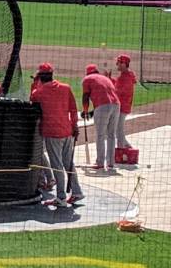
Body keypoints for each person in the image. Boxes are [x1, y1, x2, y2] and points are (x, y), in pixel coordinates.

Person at [30, 64, 81, 210]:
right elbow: (73, 108)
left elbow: (32, 100)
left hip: (52, 132)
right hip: (67, 130)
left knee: (57, 165)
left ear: (40, 77)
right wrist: (75, 126)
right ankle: (77, 192)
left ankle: (61, 197)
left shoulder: (38, 92)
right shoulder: (65, 87)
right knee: (68, 163)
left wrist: (35, 84)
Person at [81, 64, 115, 173]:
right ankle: (110, 163)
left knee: (100, 135)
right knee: (111, 135)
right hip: (116, 105)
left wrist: (85, 111)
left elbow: (85, 97)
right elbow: (107, 97)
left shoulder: (87, 79)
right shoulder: (105, 78)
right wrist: (92, 112)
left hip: (103, 106)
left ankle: (100, 163)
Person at [103, 54, 137, 167]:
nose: (117, 64)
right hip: (122, 106)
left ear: (124, 64)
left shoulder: (126, 77)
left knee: (119, 131)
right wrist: (110, 79)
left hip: (122, 107)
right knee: (118, 131)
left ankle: (123, 151)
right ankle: (127, 148)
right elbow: (117, 86)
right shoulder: (125, 75)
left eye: (119, 62)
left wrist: (108, 82)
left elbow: (117, 91)